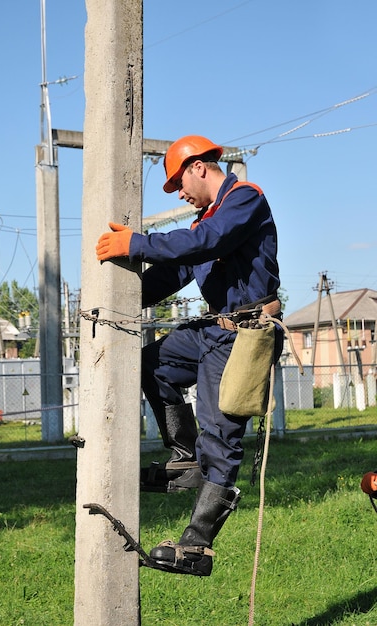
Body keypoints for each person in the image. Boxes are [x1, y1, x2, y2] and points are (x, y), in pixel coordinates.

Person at [96, 135, 283, 576]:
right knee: (150, 364)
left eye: (179, 183)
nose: (179, 193)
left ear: (199, 167)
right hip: (212, 331)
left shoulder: (244, 201)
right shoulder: (205, 219)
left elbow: (204, 243)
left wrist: (137, 244)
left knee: (221, 437)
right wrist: (116, 296)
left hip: (245, 337)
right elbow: (176, 269)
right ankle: (185, 458)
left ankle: (197, 547)